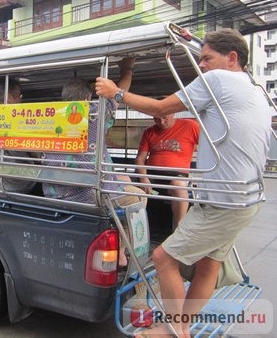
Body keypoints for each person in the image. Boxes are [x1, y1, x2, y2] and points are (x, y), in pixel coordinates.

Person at [95, 29, 272, 337]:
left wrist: (116, 93)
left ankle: (173, 329)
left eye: (207, 58)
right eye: (200, 59)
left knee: (163, 258)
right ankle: (182, 326)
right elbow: (142, 157)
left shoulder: (219, 81)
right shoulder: (256, 89)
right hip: (246, 198)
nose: (201, 65)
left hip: (222, 200)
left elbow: (161, 107)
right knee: (208, 265)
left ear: (232, 58)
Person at [43, 58, 145, 267]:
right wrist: (127, 68)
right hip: (89, 193)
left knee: (122, 182)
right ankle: (122, 251)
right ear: (89, 98)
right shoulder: (94, 115)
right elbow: (120, 91)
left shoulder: (50, 119)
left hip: (54, 191)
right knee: (140, 198)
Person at [135, 110, 199, 228]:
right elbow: (140, 159)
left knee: (178, 186)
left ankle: (178, 232)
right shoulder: (149, 132)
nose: (161, 122)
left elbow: (209, 145)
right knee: (128, 186)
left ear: (173, 113)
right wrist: (144, 179)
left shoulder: (190, 126)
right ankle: (138, 231)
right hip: (152, 179)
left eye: (165, 118)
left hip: (176, 176)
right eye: (157, 119)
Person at [0, 79, 38, 193]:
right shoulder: (13, 120)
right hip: (13, 187)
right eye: (19, 96)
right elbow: (24, 150)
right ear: (9, 97)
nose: (21, 99)